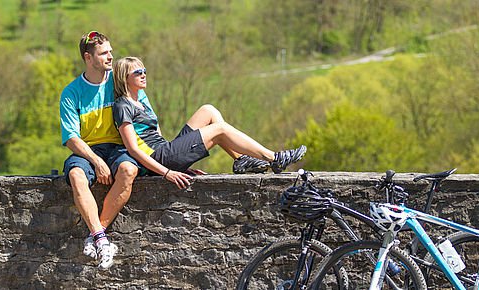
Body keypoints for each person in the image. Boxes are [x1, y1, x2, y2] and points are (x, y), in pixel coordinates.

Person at [111, 56, 307, 179]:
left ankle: (241, 160)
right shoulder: (122, 105)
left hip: (166, 152)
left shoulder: (142, 102)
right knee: (219, 130)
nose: (144, 75)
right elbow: (134, 150)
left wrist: (182, 162)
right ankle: (274, 158)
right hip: (159, 160)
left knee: (208, 110)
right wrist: (167, 172)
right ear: (124, 77)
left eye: (144, 71)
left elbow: (157, 135)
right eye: (138, 72)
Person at [59, 31, 144, 270]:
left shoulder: (120, 82)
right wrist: (96, 161)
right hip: (88, 150)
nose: (111, 56)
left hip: (119, 147)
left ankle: (97, 235)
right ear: (88, 58)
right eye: (104, 53)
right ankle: (100, 236)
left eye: (110, 51)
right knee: (76, 174)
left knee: (128, 170)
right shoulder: (71, 92)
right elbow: (71, 138)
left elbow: (145, 118)